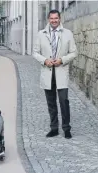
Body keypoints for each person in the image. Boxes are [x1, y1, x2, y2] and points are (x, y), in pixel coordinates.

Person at [33, 10, 77, 139]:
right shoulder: (41, 34)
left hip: (61, 72)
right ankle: (54, 128)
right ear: (48, 19)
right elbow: (35, 52)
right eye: (51, 18)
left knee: (64, 101)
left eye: (56, 18)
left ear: (59, 19)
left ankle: (66, 128)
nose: (54, 20)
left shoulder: (67, 34)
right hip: (47, 72)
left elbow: (74, 53)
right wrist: (45, 60)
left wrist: (62, 60)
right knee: (51, 102)